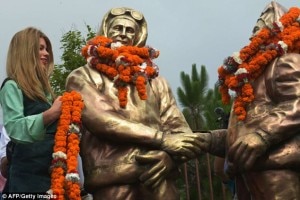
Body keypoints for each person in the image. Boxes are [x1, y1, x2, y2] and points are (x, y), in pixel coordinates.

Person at [65, 7, 205, 200]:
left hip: (159, 178)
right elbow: (102, 120)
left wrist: (170, 159)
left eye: (129, 30)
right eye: (118, 28)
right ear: (107, 30)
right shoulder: (83, 76)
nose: (123, 33)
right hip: (113, 180)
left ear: (138, 36)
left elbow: (181, 131)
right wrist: (162, 139)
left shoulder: (156, 82)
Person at [198, 2, 300, 200]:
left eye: (263, 21)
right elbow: (242, 133)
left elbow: (297, 103)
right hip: (244, 172)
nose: (256, 27)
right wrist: (209, 139)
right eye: (256, 22)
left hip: (278, 166)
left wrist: (262, 135)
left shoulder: (286, 62)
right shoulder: (248, 79)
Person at [0, 27, 62, 193]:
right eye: (40, 48)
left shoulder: (47, 93)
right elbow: (14, 127)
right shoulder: (12, 86)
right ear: (25, 52)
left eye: (47, 48)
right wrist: (51, 114)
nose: (47, 53)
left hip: (52, 177)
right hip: (28, 181)